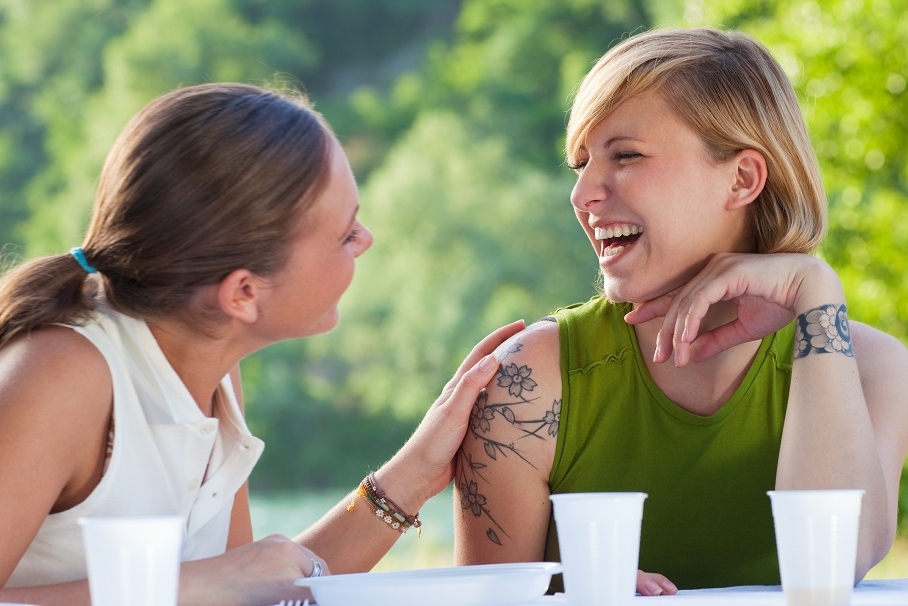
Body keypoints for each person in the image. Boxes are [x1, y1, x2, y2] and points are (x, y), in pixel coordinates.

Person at [0, 82, 525, 606]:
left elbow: (256, 591)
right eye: (344, 234)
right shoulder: (61, 374)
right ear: (244, 293)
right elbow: (213, 589)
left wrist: (415, 472)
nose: (366, 240)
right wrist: (194, 586)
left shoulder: (212, 371)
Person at [453, 26, 908, 594]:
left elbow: (833, 565)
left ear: (743, 178)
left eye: (626, 156)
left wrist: (815, 290)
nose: (583, 193)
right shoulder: (531, 377)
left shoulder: (875, 369)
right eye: (581, 164)